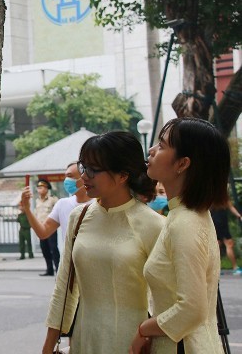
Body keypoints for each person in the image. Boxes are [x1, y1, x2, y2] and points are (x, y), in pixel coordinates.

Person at [33, 131, 164, 354]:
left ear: (122, 175)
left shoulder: (154, 225)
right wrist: (48, 346)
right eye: (84, 167)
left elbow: (166, 299)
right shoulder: (79, 216)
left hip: (131, 341)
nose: (84, 177)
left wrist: (148, 336)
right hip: (84, 338)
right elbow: (64, 286)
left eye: (93, 170)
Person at [131, 117, 230, 354]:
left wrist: (144, 330)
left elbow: (191, 309)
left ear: (182, 164)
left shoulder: (184, 223)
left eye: (162, 146)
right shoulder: (186, 214)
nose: (152, 150)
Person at [20, 162, 92, 253]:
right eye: (66, 176)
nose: (67, 180)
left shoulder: (100, 204)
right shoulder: (62, 204)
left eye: (70, 176)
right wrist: (27, 208)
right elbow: (43, 232)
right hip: (69, 265)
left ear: (84, 177)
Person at [34, 179, 59, 275]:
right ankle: (49, 270)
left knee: (54, 249)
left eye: (42, 187)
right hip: (41, 228)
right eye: (38, 188)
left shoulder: (53, 199)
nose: (39, 190)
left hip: (51, 228)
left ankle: (58, 269)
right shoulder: (37, 201)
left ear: (46, 189)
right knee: (44, 249)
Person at [210, 200, 242, 276]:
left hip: (213, 222)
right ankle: (235, 268)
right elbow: (230, 206)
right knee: (229, 244)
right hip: (221, 222)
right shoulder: (221, 195)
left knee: (217, 246)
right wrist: (239, 216)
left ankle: (217, 270)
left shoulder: (208, 195)